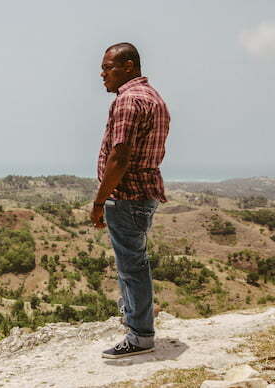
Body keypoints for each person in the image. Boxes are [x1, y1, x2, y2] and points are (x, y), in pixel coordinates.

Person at [90, 42, 170, 358]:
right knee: (135, 261)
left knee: (131, 266)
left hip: (127, 195)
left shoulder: (128, 101)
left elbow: (119, 158)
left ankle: (139, 335)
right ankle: (136, 326)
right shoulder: (153, 97)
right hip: (145, 191)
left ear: (128, 67)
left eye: (107, 67)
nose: (101, 74)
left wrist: (99, 201)